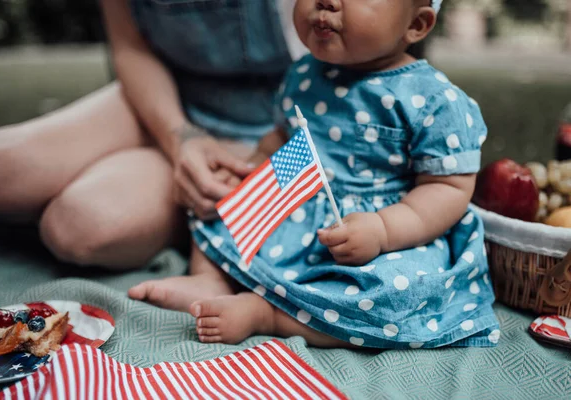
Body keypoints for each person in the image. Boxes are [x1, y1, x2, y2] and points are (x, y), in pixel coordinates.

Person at [128, 0, 501, 349]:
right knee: (220, 210)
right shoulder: (304, 74)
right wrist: (252, 171)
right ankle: (211, 280)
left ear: (416, 24)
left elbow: (446, 188)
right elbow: (280, 138)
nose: (327, 1)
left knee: (395, 290)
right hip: (299, 208)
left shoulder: (433, 99)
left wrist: (383, 230)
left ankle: (270, 315)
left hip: (389, 230)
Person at [0, 0, 301, 268]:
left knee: (77, 225)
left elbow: (335, 82)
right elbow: (131, 48)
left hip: (276, 126)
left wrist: (271, 162)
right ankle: (154, 181)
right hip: (166, 99)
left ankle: (184, 217)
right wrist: (180, 139)